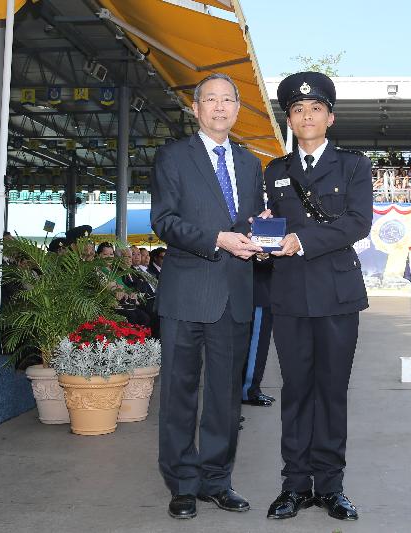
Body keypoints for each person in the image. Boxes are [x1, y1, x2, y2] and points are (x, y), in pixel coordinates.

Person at [150, 72, 267, 520]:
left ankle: (217, 480)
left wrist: (262, 231)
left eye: (228, 101)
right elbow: (165, 221)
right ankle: (182, 483)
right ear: (195, 109)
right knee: (179, 392)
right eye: (210, 100)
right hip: (186, 292)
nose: (220, 108)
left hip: (235, 293)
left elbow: (250, 220)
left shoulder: (250, 163)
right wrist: (216, 238)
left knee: (225, 396)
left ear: (238, 110)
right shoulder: (173, 157)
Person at [263, 71, 372, 522]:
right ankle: (293, 485)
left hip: (337, 295)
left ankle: (330, 486)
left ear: (330, 116)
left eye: (315, 109)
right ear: (289, 118)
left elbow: (357, 223)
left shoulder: (353, 165)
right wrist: (261, 230)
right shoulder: (275, 170)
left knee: (331, 392)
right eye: (297, 110)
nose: (306, 116)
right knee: (296, 392)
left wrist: (301, 240)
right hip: (289, 294)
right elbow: (264, 221)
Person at [241, 259, 276, 407]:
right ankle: (248, 391)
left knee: (258, 346)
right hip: (259, 291)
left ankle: (251, 389)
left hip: (263, 289)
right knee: (256, 346)